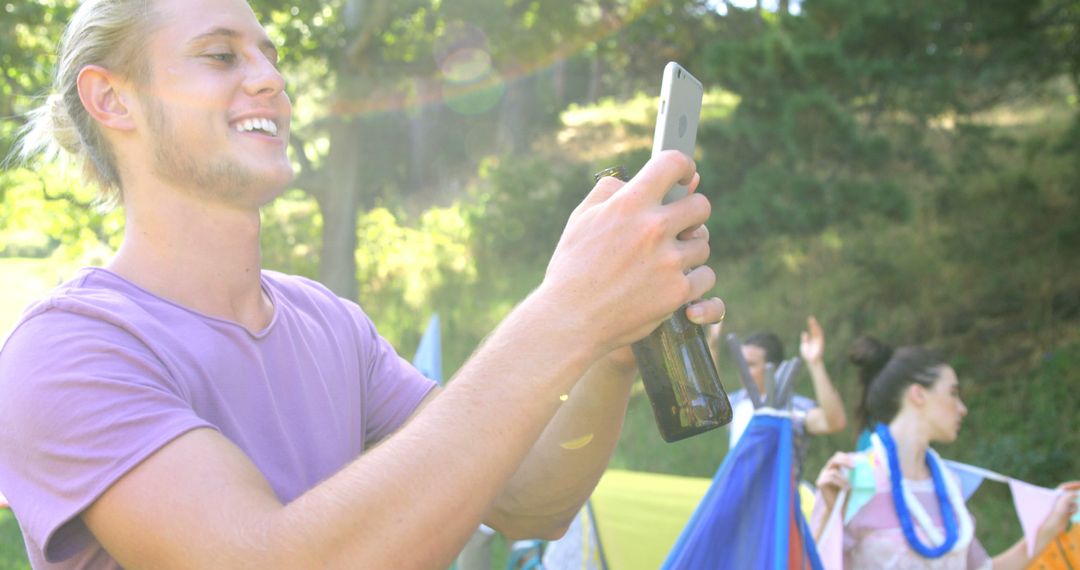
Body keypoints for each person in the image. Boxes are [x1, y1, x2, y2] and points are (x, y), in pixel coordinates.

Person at [0, 1, 726, 568]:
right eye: (221, 55)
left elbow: (529, 503)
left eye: (270, 56)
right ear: (112, 100)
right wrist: (567, 309)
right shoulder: (66, 351)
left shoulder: (329, 322)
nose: (271, 78)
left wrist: (607, 345)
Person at [813, 336, 1078, 569]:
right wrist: (826, 514)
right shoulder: (855, 478)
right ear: (918, 394)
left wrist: (1051, 526)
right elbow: (808, 562)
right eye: (953, 393)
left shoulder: (948, 486)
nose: (962, 408)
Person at [710, 316, 847, 479]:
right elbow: (708, 396)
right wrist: (712, 347)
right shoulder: (736, 403)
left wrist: (815, 363)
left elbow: (834, 422)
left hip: (779, 502)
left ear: (773, 369)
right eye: (741, 363)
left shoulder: (791, 407)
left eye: (751, 365)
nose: (743, 371)